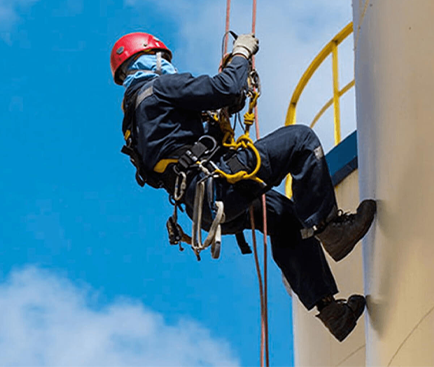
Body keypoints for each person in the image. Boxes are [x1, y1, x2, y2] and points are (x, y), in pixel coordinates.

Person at [110, 32, 376, 342]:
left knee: (285, 218)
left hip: (206, 207)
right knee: (300, 140)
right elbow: (224, 88)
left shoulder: (135, 118)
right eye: (163, 60)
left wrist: (225, 106)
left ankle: (332, 313)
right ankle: (332, 229)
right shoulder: (160, 87)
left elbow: (200, 123)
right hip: (217, 186)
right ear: (149, 60)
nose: (167, 65)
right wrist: (240, 55)